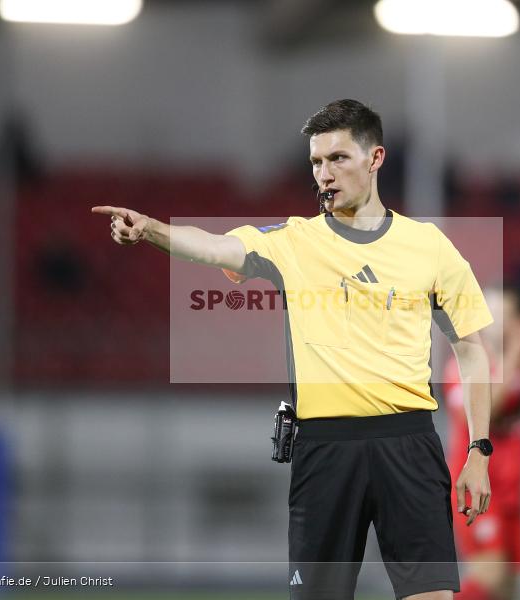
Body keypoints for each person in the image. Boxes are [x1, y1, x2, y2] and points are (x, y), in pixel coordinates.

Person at [92, 99, 495, 600]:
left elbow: (472, 349)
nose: (324, 174)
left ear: (376, 159)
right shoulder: (292, 241)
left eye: (338, 159)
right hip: (325, 451)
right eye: (316, 163)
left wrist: (479, 451)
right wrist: (151, 229)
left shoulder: (429, 246)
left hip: (409, 444)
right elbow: (216, 246)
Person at [444, 289, 520, 600]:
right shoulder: (464, 364)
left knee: (508, 584)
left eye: (504, 316)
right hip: (477, 484)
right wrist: (512, 358)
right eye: (490, 314)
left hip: (512, 489)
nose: (495, 324)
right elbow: (489, 410)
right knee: (490, 574)